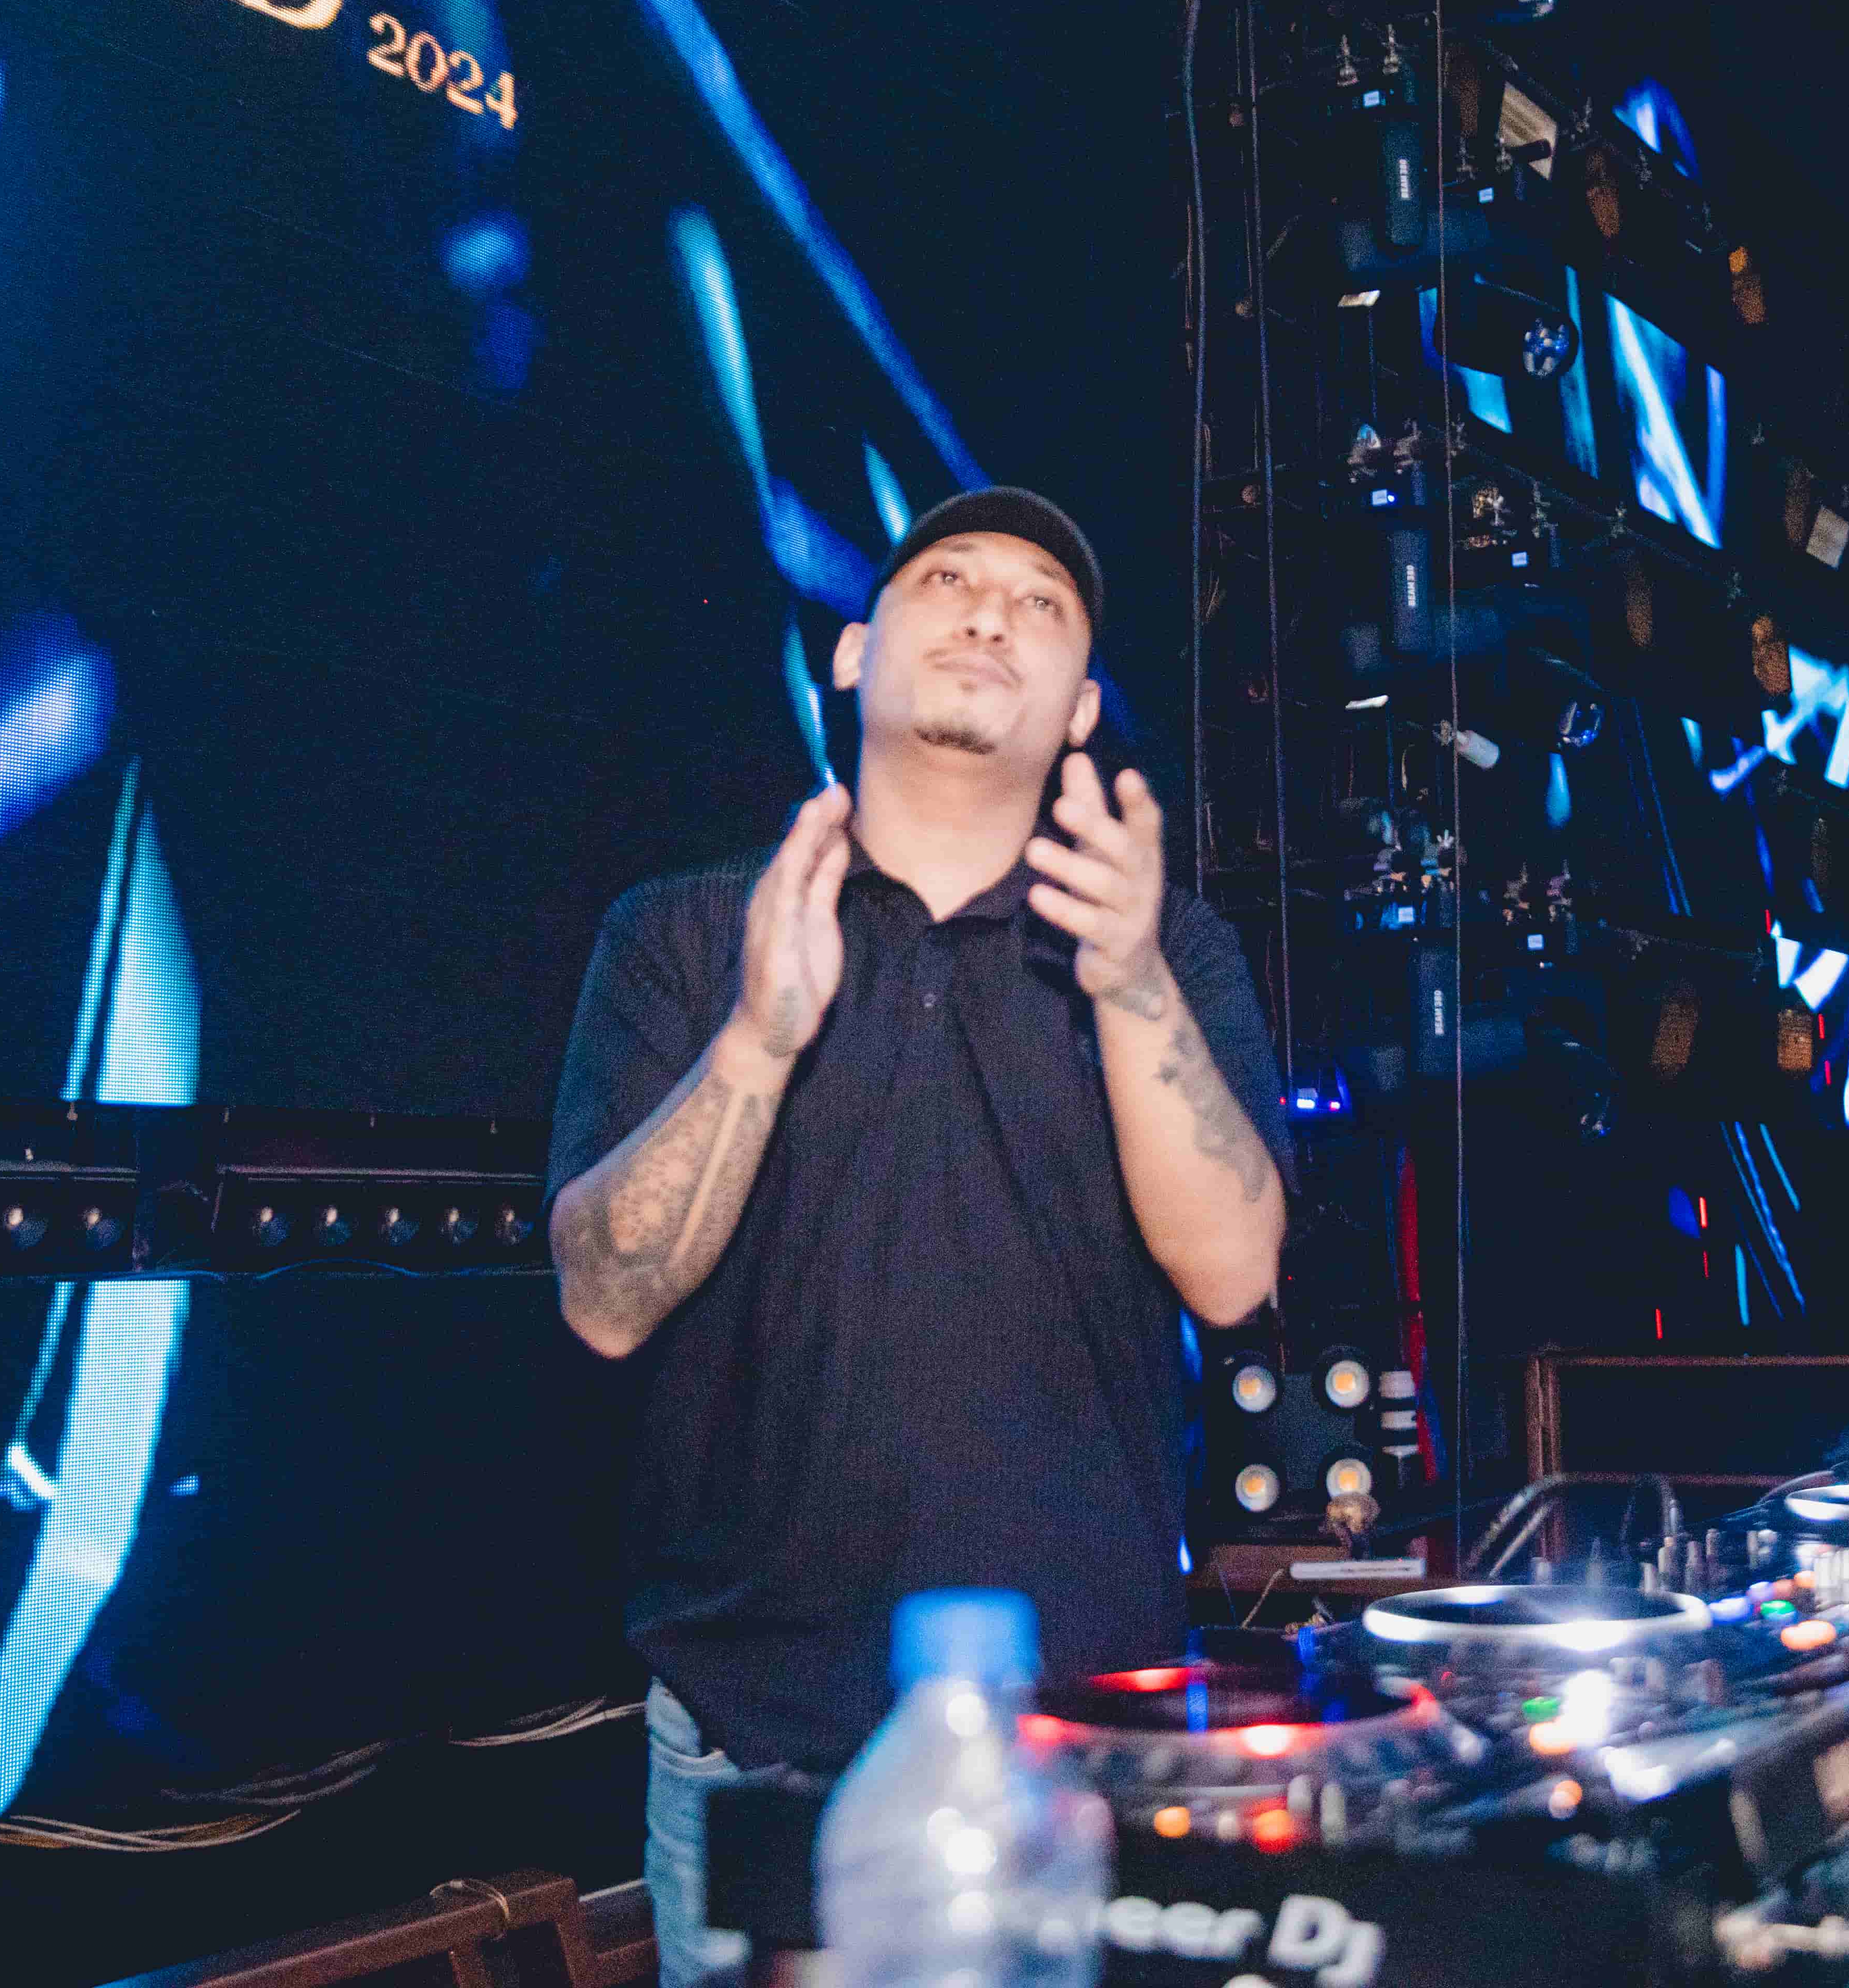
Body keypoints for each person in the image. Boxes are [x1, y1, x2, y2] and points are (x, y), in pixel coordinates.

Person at [543, 487, 1291, 1988]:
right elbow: (605, 1299)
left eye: (1040, 604)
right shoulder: (689, 934)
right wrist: (759, 1038)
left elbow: (1235, 1273)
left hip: (1086, 1739)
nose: (990, 613)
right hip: (755, 1738)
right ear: (850, 652)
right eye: (948, 579)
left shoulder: (1168, 952)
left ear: (1082, 710)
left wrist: (1134, 986)